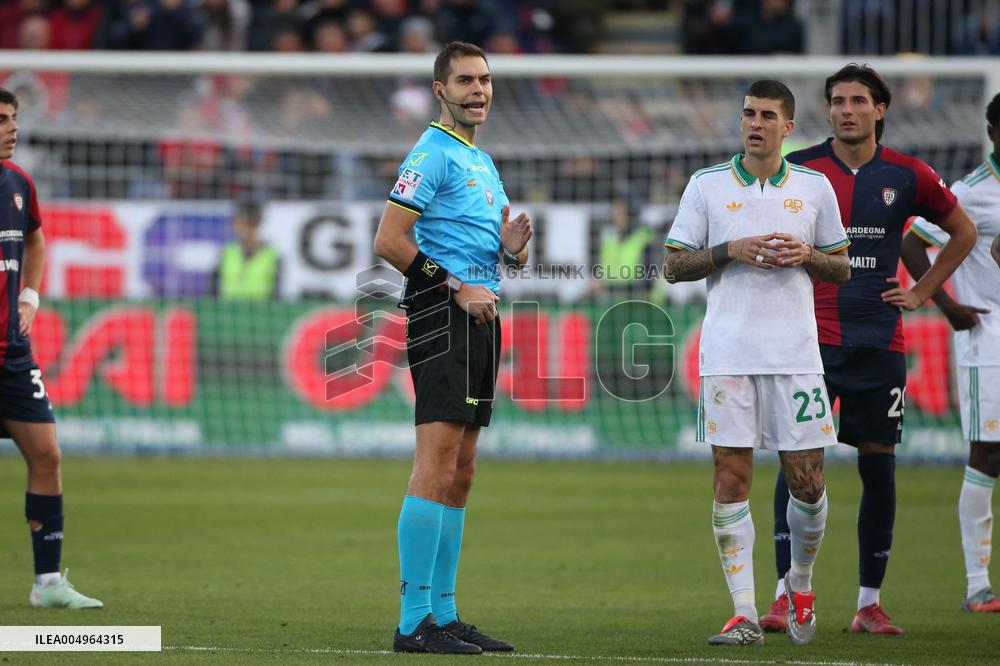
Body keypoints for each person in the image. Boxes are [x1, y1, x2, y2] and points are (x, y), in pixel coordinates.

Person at [762, 64, 977, 635]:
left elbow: (964, 231)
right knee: (796, 466)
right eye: (837, 101)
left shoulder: (907, 174)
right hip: (807, 345)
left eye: (857, 101)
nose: (846, 110)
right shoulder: (799, 168)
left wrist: (924, 292)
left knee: (879, 471)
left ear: (880, 109)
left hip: (879, 343)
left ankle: (868, 603)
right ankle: (785, 595)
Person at [664, 80, 850, 647]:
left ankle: (800, 581)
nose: (756, 123)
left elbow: (841, 269)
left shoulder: (816, 188)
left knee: (808, 482)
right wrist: (729, 250)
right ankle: (744, 613)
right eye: (748, 113)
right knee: (730, 478)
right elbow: (673, 266)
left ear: (788, 127)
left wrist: (809, 255)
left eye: (768, 115)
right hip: (727, 355)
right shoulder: (707, 186)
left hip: (795, 357)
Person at [372, 41, 531, 655]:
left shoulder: (482, 161)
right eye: (466, 81)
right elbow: (389, 239)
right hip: (443, 315)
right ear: (441, 91)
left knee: (461, 472)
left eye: (485, 80)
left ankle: (444, 612)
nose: (479, 90)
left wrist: (510, 250)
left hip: (480, 317)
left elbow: (480, 255)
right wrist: (457, 288)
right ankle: (414, 621)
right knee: (435, 464)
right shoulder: (432, 153)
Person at [0, 87, 102, 609]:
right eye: (1, 120)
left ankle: (47, 584)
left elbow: (36, 238)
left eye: (14, 118)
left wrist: (31, 295)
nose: (12, 128)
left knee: (47, 455)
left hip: (12, 357)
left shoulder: (18, 184)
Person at [900, 91, 1000, 613]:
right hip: (991, 339)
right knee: (988, 455)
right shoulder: (973, 192)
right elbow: (911, 241)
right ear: (992, 132)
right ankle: (977, 584)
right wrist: (947, 306)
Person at [212, 201, 281, 300]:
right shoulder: (227, 251)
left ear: (253, 224)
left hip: (260, 311)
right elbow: (213, 288)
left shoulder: (271, 255)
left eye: (241, 223)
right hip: (228, 310)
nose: (236, 228)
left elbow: (276, 292)